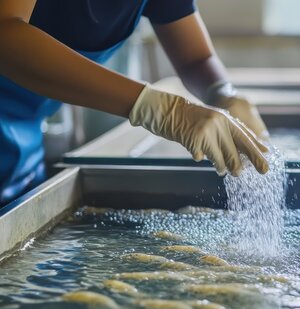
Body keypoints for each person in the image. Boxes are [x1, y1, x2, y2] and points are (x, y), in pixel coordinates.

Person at [0, 0, 270, 205]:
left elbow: (195, 59)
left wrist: (222, 92)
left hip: (21, 150)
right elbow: (6, 32)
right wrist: (155, 107)